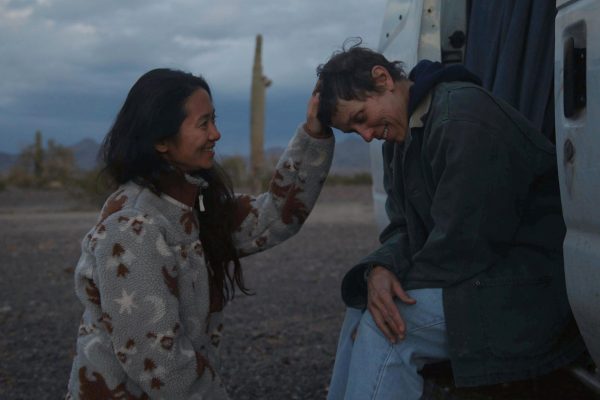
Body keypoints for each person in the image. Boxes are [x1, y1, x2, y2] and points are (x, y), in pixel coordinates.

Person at [313, 43, 586, 400]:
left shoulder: (462, 116)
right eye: (354, 130)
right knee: (364, 306)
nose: (366, 135)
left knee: (387, 328)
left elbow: (466, 242)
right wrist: (378, 270)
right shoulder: (401, 137)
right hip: (480, 276)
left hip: (530, 287)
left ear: (382, 79)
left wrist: (390, 288)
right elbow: (402, 229)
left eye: (361, 117)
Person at [65, 68, 334, 399]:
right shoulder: (133, 226)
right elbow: (160, 363)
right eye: (203, 123)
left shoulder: (192, 206)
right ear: (161, 140)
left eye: (214, 120)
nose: (216, 134)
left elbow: (273, 217)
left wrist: (314, 132)